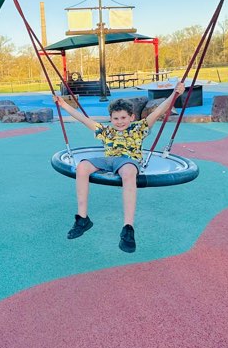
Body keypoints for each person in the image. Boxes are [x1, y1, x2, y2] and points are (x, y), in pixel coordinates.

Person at [53, 80, 186, 253]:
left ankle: (128, 228)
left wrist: (175, 95)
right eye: (115, 118)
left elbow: (159, 110)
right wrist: (63, 104)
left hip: (128, 161)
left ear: (131, 117)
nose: (119, 122)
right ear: (111, 119)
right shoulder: (106, 131)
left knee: (129, 171)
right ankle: (82, 218)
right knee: (82, 166)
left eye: (123, 118)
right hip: (108, 160)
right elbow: (83, 119)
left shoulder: (139, 128)